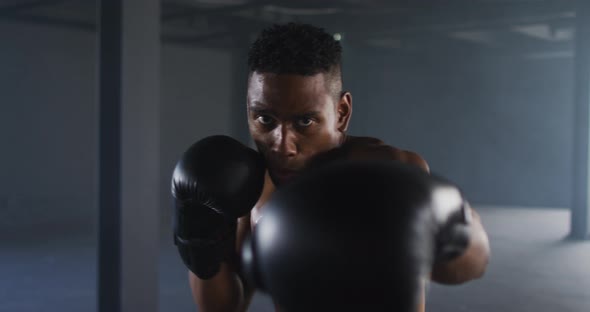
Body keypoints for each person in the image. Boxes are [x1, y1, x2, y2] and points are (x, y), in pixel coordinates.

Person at [172, 22, 490, 312]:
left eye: (305, 121)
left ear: (341, 113)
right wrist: (198, 242)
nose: (282, 145)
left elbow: (472, 265)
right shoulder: (251, 187)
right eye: (265, 119)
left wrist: (448, 225)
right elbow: (224, 308)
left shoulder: (387, 171)